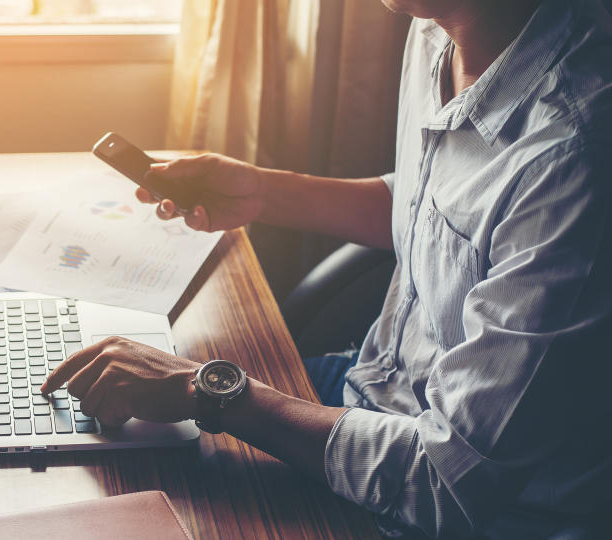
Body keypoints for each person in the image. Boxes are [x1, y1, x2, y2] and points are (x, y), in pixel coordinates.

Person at [42, 0, 612, 537]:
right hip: (368, 390)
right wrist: (263, 192)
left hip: (458, 507)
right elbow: (436, 206)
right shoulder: (436, 25)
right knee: (97, 447)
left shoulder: (573, 155)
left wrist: (203, 391)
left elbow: (445, 484)